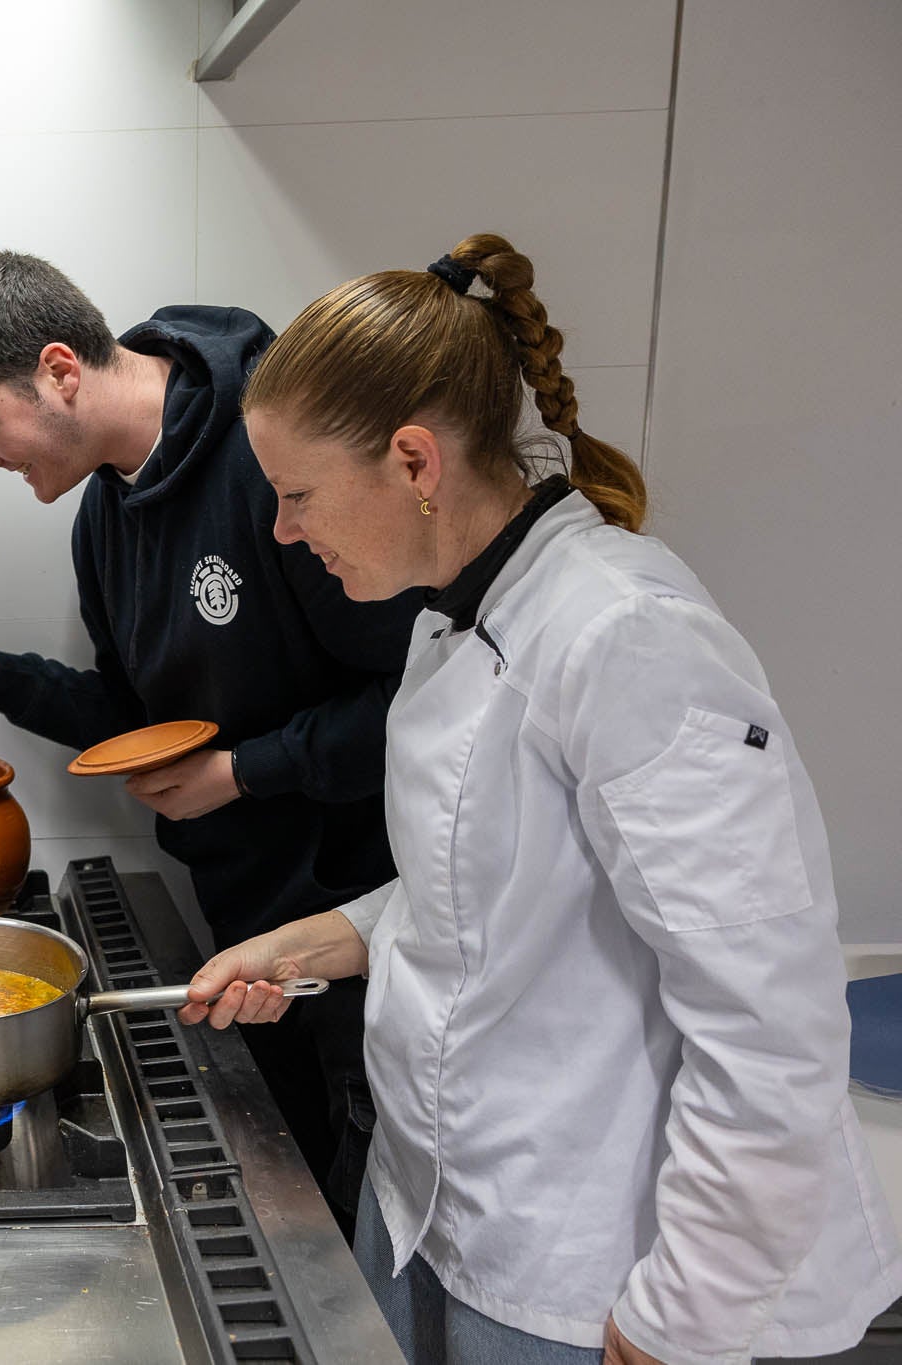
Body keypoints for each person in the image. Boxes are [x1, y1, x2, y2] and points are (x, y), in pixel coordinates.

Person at [178, 234, 902, 1362]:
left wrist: (674, 1320)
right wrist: (323, 939)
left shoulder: (628, 633)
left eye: (295, 495)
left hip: (583, 1271)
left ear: (414, 464)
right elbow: (492, 884)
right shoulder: (454, 615)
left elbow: (770, 1026)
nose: (281, 532)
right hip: (431, 1200)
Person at [0, 251, 424, 1238]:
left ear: (59, 371)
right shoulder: (103, 515)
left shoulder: (272, 461)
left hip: (368, 922)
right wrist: (2, 677)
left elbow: (417, 697)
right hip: (245, 919)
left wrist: (243, 772)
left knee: (367, 1214)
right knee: (298, 1197)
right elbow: (133, 716)